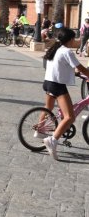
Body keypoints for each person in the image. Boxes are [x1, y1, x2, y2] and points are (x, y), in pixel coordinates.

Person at [41, 27, 89, 160]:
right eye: (75, 38)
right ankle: (52, 140)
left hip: (48, 82)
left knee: (48, 108)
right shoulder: (67, 51)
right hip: (57, 86)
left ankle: (40, 131)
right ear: (71, 40)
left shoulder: (55, 49)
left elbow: (59, 67)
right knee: (70, 117)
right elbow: (81, 67)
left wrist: (75, 73)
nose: (76, 41)